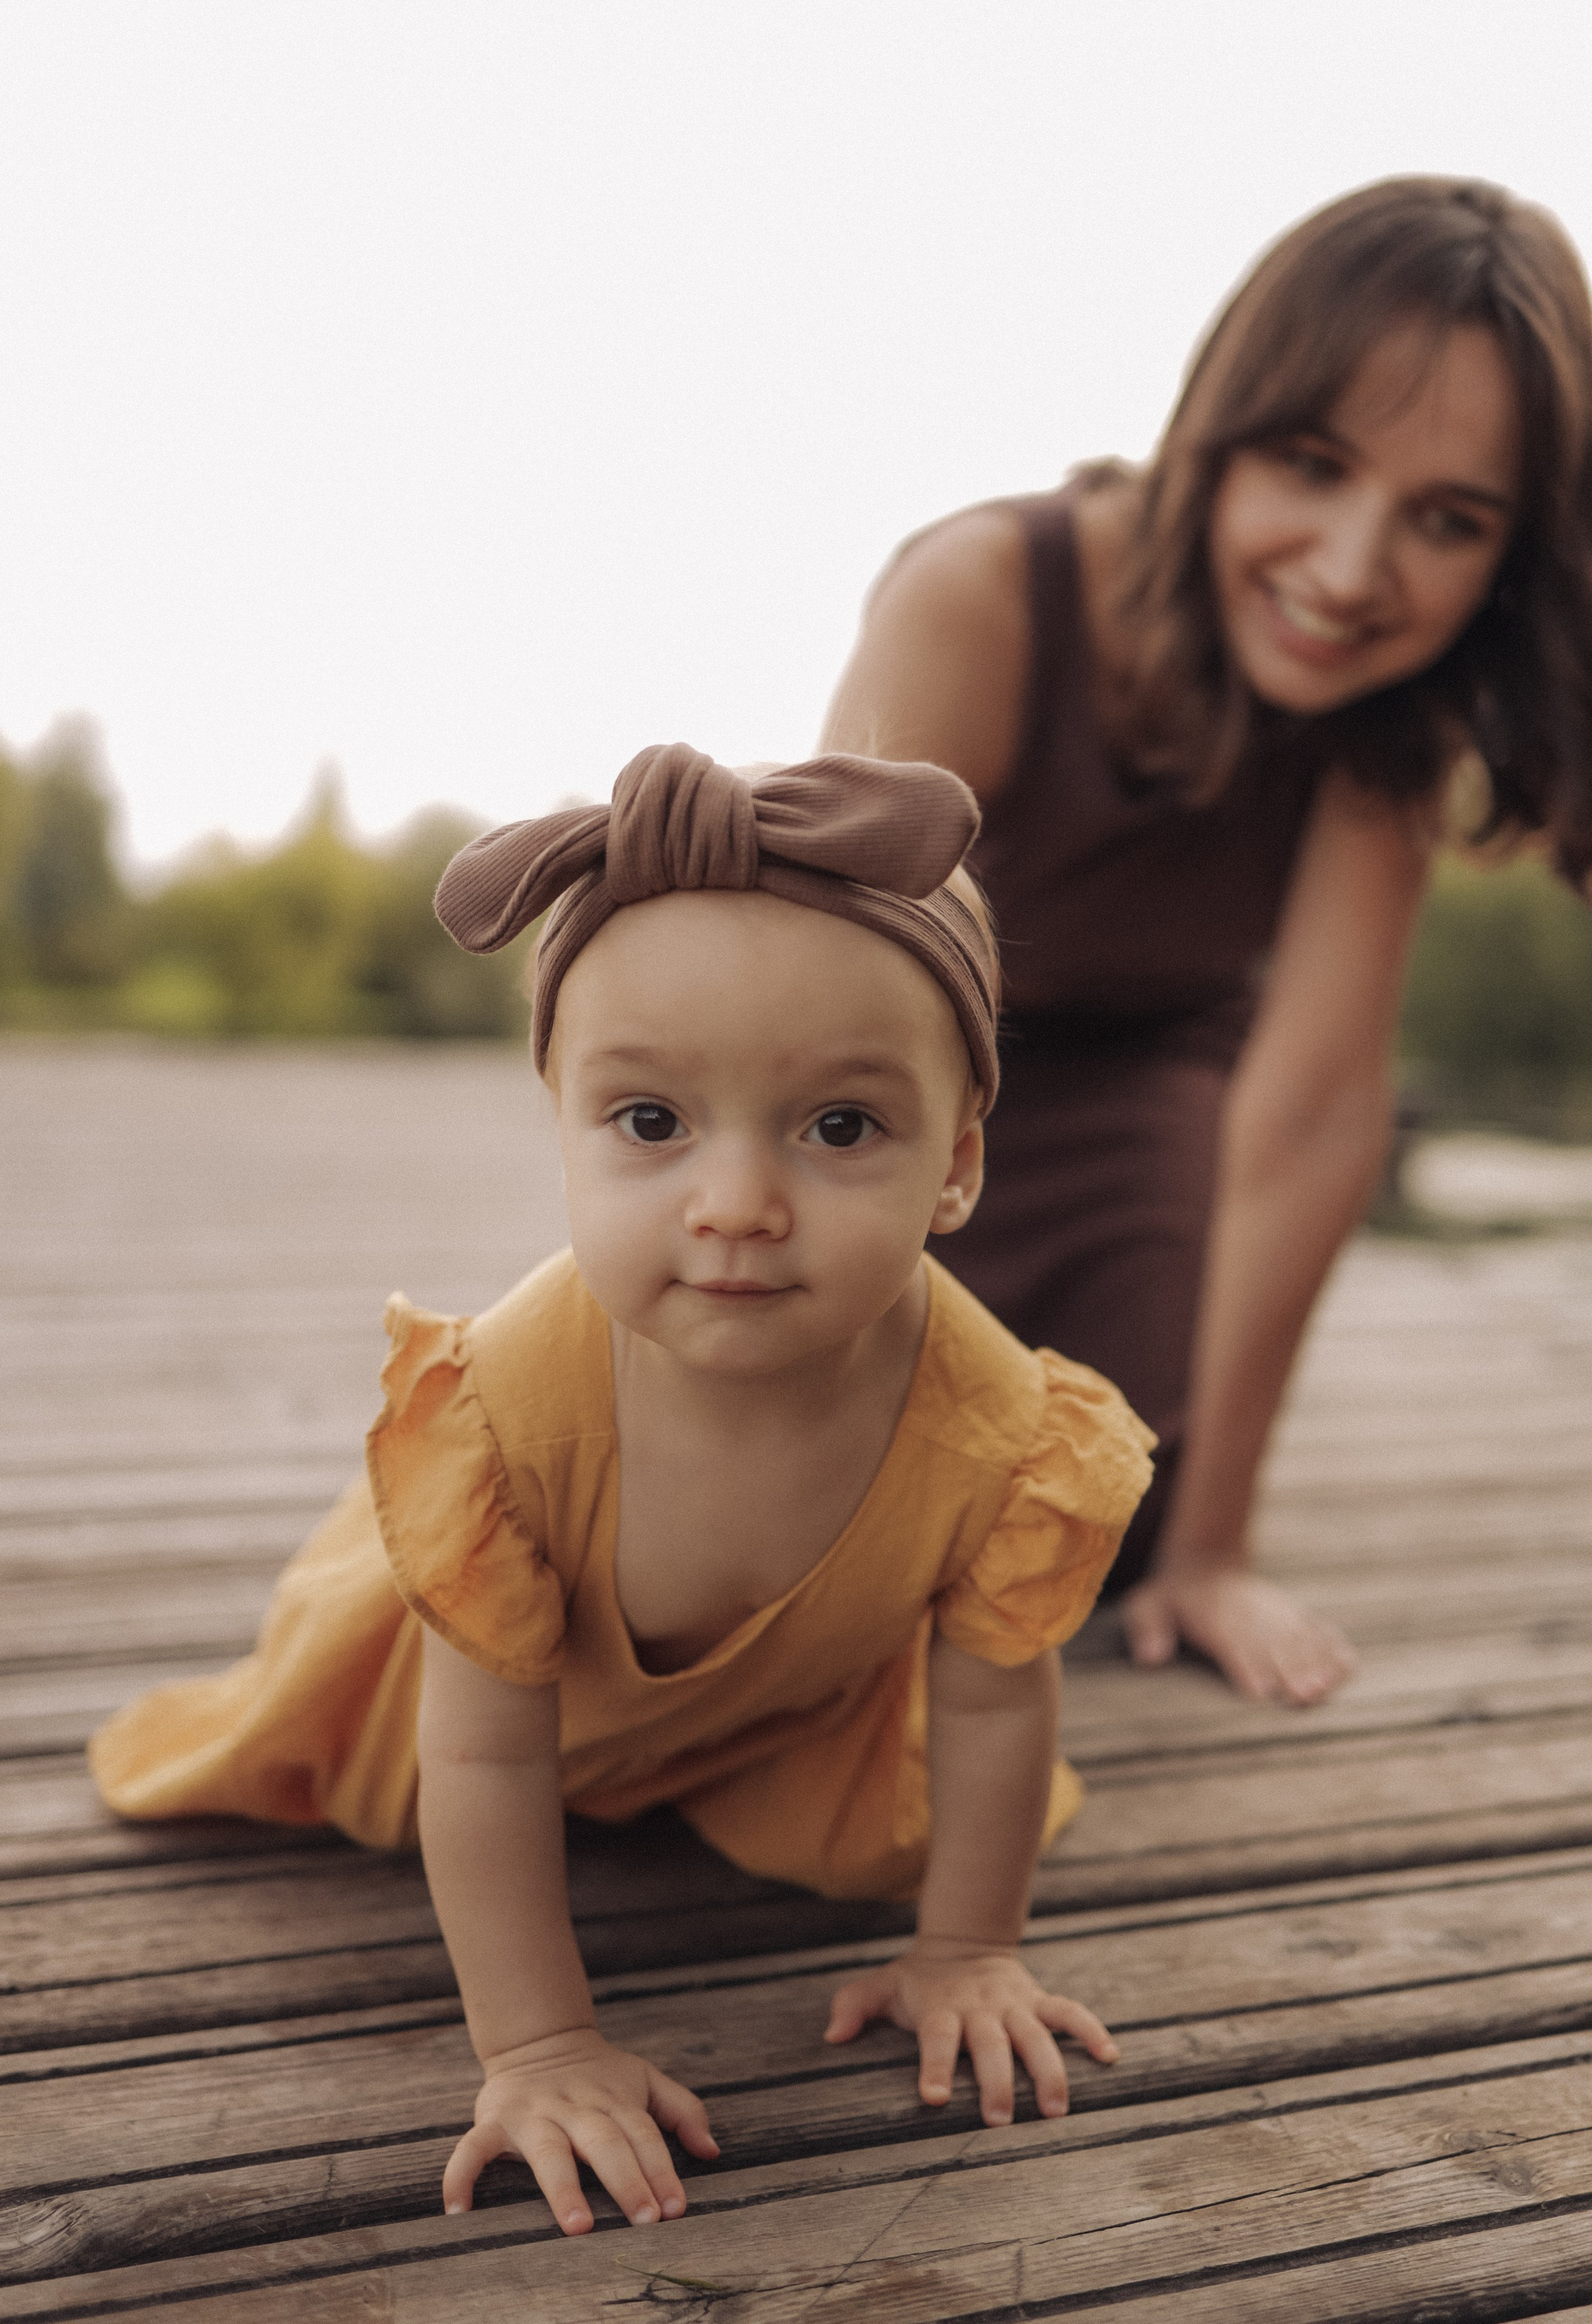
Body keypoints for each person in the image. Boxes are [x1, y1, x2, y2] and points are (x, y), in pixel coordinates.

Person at [89, 743, 1154, 2239]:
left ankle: (751, 1803)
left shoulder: (996, 1425)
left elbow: (988, 1696)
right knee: (379, 1807)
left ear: (958, 1164)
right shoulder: (518, 1411)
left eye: (839, 1128)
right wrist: (538, 2048)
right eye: (649, 1123)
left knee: (883, 1832)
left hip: (781, 1711)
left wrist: (967, 1947)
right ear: (566, 1128)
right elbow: (482, 1764)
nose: (733, 1205)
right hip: (465, 1713)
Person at [821, 175, 1592, 1708]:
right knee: (797, 1483)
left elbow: (1316, 1100)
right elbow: (812, 992)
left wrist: (1214, 1545)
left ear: (1510, 558)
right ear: (1214, 424)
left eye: (1446, 521)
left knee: (1099, 1512)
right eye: (1310, 466)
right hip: (896, 1077)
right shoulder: (987, 593)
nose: (1346, 570)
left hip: (1143, 1102)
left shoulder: (1389, 728)